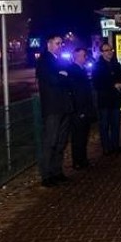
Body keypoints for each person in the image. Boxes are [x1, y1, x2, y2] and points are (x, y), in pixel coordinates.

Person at [35, 34, 73, 187]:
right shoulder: (44, 60)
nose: (60, 46)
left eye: (61, 43)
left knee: (60, 141)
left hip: (63, 106)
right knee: (51, 141)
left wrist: (64, 76)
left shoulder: (58, 61)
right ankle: (47, 174)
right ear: (49, 44)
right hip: (53, 107)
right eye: (58, 43)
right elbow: (54, 80)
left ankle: (57, 171)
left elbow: (68, 77)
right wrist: (63, 76)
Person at [92, 41, 121, 157]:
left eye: (110, 50)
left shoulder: (116, 64)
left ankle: (115, 146)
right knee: (104, 125)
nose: (109, 52)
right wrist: (113, 85)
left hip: (115, 99)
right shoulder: (97, 66)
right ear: (101, 53)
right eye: (106, 50)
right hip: (104, 100)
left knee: (116, 124)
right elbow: (96, 83)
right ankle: (106, 147)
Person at [67, 47, 97, 170]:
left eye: (85, 55)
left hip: (83, 109)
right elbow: (77, 93)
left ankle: (82, 159)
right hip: (79, 110)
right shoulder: (74, 71)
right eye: (83, 55)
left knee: (83, 136)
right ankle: (78, 161)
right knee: (78, 137)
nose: (85, 58)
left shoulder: (81, 69)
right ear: (76, 56)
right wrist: (80, 111)